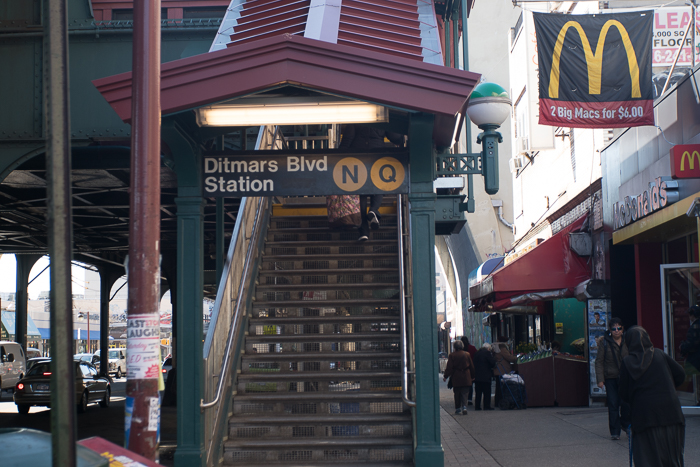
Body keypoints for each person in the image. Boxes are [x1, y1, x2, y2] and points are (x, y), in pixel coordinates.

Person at [620, 326, 685, 466]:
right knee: (672, 457)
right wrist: (668, 386)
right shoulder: (660, 354)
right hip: (671, 413)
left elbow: (623, 393)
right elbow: (680, 374)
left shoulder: (627, 363)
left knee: (648, 458)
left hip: (645, 417)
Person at [338, 124, 405, 241]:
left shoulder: (356, 115)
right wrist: (403, 134)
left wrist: (339, 157)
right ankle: (374, 210)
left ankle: (363, 232)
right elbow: (394, 136)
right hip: (377, 154)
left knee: (361, 193)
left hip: (358, 157)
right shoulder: (381, 114)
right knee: (380, 185)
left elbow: (348, 138)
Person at [594, 317, 630, 440]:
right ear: (610, 330)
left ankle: (626, 425)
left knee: (626, 403)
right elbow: (599, 361)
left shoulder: (628, 341)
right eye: (614, 328)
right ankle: (615, 431)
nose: (616, 331)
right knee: (613, 404)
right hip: (610, 378)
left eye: (619, 328)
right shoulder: (605, 342)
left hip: (625, 377)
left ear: (622, 329)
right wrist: (600, 379)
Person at [442, 340, 474, 415]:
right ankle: (464, 407)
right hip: (466, 376)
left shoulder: (452, 355)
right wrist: (473, 376)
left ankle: (458, 408)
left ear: (454, 347)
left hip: (456, 376)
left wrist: (445, 376)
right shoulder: (467, 354)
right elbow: (471, 366)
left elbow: (449, 367)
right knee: (465, 392)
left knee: (457, 393)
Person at [493, 337, 517, 407]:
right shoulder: (502, 348)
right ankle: (501, 401)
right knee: (502, 387)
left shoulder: (496, 348)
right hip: (502, 370)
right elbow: (509, 357)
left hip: (498, 370)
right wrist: (516, 357)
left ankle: (497, 402)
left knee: (498, 387)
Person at [473, 343, 496, 410]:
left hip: (477, 376)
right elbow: (492, 363)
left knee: (478, 392)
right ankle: (486, 406)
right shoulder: (487, 353)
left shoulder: (477, 353)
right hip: (486, 375)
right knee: (487, 392)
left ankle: (477, 406)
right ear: (488, 348)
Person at [680, 305, 700, 376]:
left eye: (689, 314)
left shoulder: (693, 328)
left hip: (696, 361)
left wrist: (683, 347)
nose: (689, 316)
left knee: (686, 377)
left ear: (693, 315)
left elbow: (691, 344)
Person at [460, 336, 477, 405]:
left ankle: (463, 399)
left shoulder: (460, 350)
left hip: (461, 370)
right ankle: (469, 399)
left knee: (462, 385)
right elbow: (476, 356)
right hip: (470, 369)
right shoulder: (472, 348)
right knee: (470, 385)